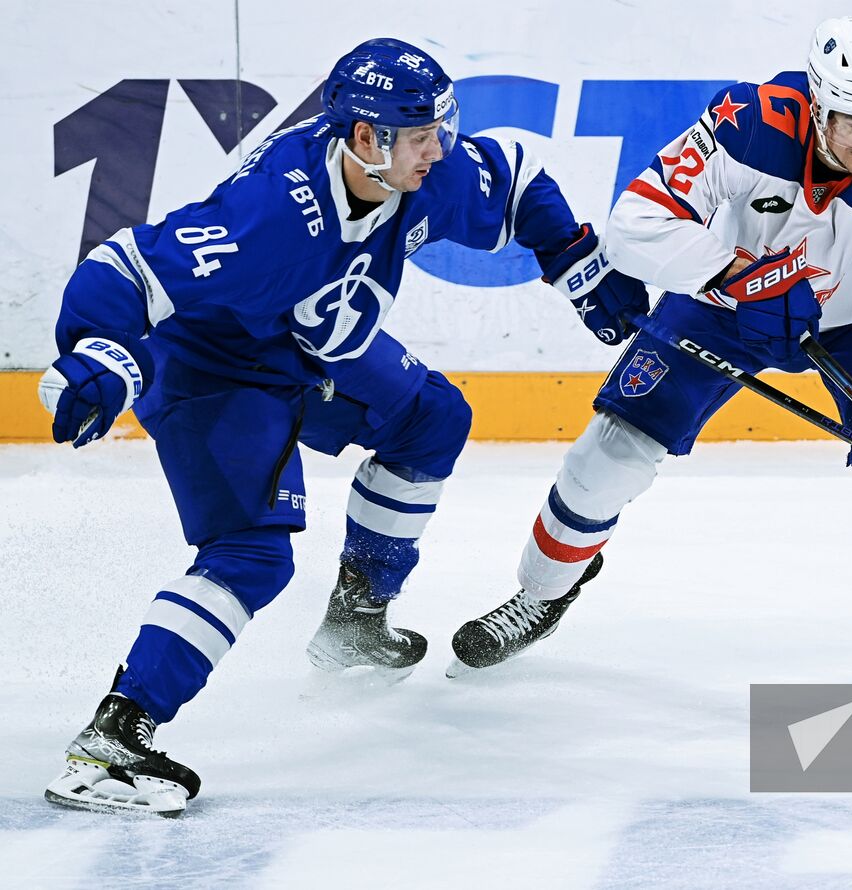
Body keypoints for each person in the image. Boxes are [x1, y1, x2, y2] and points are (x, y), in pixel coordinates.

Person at [38, 37, 647, 816]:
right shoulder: (270, 218)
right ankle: (110, 741)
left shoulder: (414, 163)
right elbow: (126, 267)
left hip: (315, 351)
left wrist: (577, 264)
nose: (442, 150)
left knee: (432, 418)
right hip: (216, 370)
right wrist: (97, 349)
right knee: (251, 556)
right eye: (424, 136)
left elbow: (517, 179)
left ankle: (357, 617)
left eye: (439, 129)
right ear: (367, 139)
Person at [448, 13, 852, 677]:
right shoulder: (747, 121)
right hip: (721, 308)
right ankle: (541, 594)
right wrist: (735, 275)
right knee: (607, 456)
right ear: (818, 108)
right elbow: (634, 223)